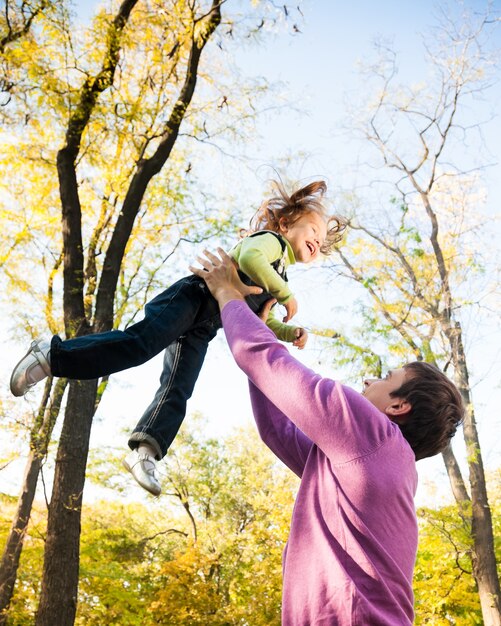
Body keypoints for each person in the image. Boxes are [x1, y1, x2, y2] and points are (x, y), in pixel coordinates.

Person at [10, 180, 345, 497]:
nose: (318, 238)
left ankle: (146, 450)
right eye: (313, 228)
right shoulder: (271, 243)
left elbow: (264, 317)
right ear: (286, 224)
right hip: (192, 298)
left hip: (202, 326)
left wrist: (287, 331)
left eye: (322, 238)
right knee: (139, 344)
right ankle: (51, 356)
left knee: (179, 386)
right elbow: (248, 259)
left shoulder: (279, 273)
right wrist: (286, 294)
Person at [190, 248, 465, 626]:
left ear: (399, 407)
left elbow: (263, 360)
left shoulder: (372, 432)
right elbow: (279, 428)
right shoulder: (366, 461)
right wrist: (259, 324)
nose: (370, 380)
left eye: (387, 378)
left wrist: (228, 295)